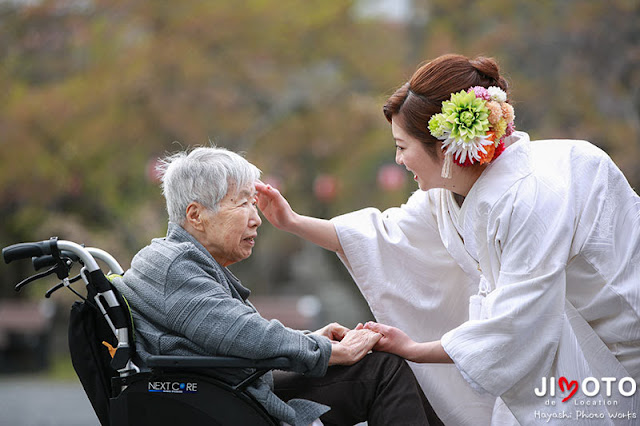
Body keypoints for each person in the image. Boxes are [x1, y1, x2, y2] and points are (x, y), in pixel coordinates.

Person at [256, 53, 640, 425]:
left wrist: (414, 350)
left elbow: (518, 324)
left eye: (402, 147)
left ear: (444, 149)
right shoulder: (449, 189)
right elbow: (387, 234)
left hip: (617, 342)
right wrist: (292, 221)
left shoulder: (533, 193)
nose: (398, 161)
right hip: (561, 338)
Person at [111, 146, 441, 426]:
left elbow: (234, 333)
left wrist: (311, 340)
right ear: (195, 215)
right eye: (242, 204)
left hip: (229, 390)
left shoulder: (172, 260)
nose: (255, 218)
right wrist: (326, 351)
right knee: (382, 369)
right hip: (225, 401)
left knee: (378, 365)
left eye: (253, 204)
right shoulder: (173, 266)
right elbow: (241, 333)